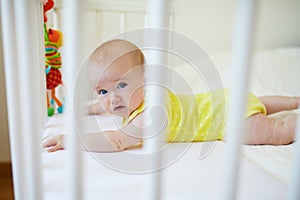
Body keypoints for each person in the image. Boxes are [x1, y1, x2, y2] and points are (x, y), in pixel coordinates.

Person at [42, 39, 300, 152]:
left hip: (226, 118)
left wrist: (70, 140)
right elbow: (107, 106)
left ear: (144, 80)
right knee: (256, 102)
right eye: (102, 91)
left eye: (121, 85)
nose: (112, 99)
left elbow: (117, 141)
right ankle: (292, 101)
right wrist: (86, 107)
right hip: (225, 98)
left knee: (270, 133)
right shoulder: (132, 100)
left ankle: (290, 124)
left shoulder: (148, 116)